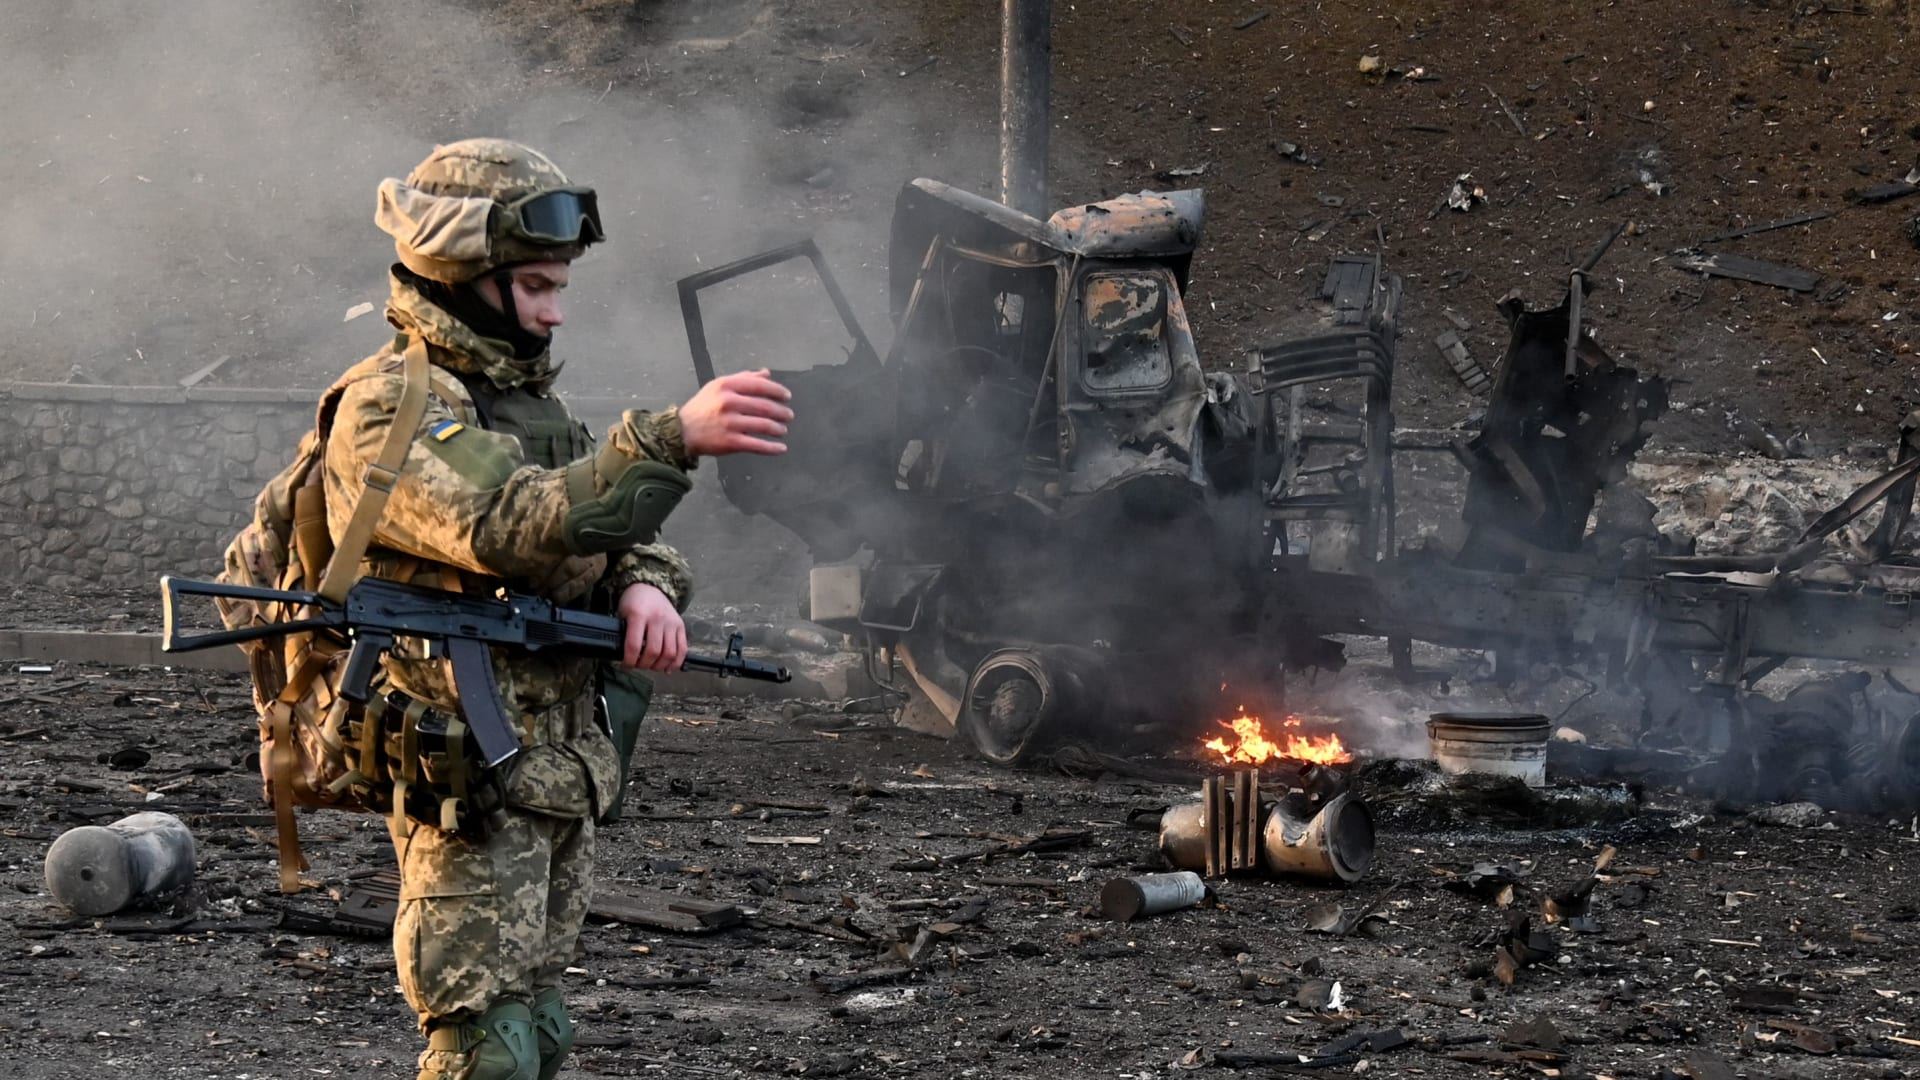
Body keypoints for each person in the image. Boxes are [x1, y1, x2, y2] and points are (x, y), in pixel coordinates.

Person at [331, 138, 793, 1080]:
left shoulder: (525, 406)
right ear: (461, 275)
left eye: (560, 286)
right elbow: (509, 524)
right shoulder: (394, 407)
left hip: (553, 768)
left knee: (539, 1027)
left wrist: (645, 585)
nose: (555, 310)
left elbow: (613, 533)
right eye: (537, 285)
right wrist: (668, 437)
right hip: (464, 774)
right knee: (483, 1046)